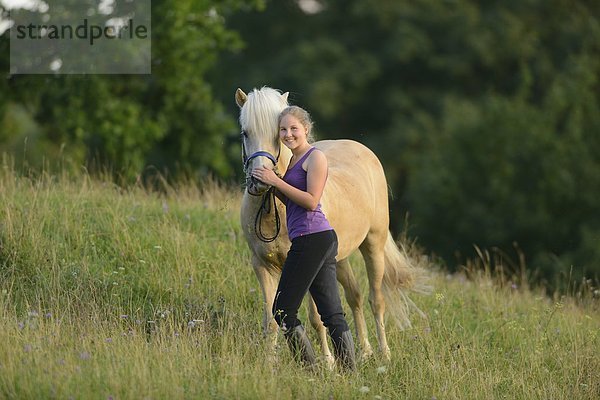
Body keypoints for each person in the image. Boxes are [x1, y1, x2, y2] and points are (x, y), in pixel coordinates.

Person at [251, 105, 356, 371]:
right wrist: (267, 186)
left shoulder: (315, 157)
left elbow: (310, 202)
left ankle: (307, 369)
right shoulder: (295, 161)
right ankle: (350, 372)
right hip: (314, 238)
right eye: (283, 130)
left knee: (283, 310)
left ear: (306, 130)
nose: (288, 134)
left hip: (313, 238)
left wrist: (277, 182)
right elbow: (291, 199)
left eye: (293, 129)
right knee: (331, 312)